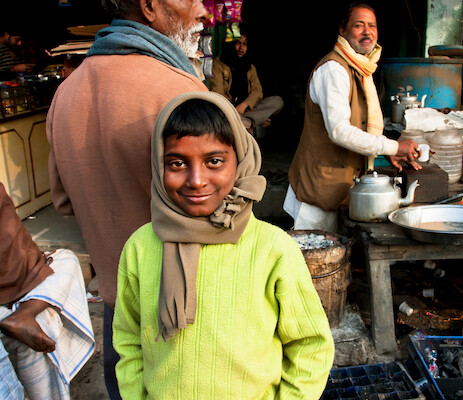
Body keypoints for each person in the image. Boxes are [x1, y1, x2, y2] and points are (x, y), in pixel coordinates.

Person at [113, 91, 334, 399]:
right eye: (177, 163)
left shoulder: (273, 249)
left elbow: (310, 345)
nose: (197, 180)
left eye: (214, 161)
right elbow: (128, 341)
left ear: (240, 162)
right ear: (158, 165)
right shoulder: (139, 248)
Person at [46, 0, 209, 398]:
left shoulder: (66, 92)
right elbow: (224, 208)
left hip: (118, 301)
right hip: (187, 310)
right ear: (150, 6)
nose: (203, 10)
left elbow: (64, 201)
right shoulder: (180, 89)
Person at [284, 2, 421, 233]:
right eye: (359, 25)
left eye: (372, 26)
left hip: (342, 185)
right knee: (317, 262)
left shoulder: (362, 69)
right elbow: (340, 131)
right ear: (342, 30)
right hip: (319, 191)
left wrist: (383, 152)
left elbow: (364, 125)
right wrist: (393, 147)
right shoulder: (334, 70)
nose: (368, 32)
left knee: (337, 259)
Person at [0, 182, 94, 400]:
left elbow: (13, 244)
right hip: (18, 284)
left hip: (18, 281)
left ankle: (23, 315)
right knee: (39, 328)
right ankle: (24, 314)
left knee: (66, 260)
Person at [210, 33, 284, 132]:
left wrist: (244, 105)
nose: (241, 48)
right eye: (238, 43)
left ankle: (246, 122)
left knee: (277, 101)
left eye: (244, 44)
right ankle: (251, 121)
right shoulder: (219, 64)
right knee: (219, 111)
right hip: (227, 111)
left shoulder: (250, 67)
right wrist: (235, 111)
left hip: (246, 111)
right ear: (231, 44)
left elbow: (257, 92)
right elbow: (218, 93)